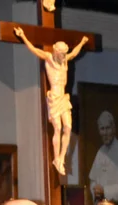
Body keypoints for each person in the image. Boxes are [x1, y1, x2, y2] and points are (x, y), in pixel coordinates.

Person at [14, 27, 88, 175]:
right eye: (61, 54)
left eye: (64, 54)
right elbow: (35, 50)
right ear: (56, 51)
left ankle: (61, 158)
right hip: (54, 97)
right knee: (58, 128)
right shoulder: (48, 58)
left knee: (68, 127)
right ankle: (56, 158)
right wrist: (23, 36)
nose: (63, 56)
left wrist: (82, 42)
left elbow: (74, 53)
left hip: (63, 97)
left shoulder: (65, 60)